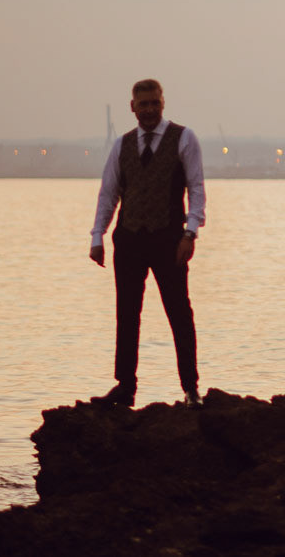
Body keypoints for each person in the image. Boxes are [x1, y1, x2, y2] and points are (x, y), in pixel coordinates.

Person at [88, 78, 206, 408]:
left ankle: (190, 388)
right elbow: (108, 193)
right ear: (133, 108)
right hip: (128, 238)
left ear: (163, 103)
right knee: (127, 313)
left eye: (155, 103)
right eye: (144, 104)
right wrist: (97, 236)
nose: (150, 110)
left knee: (179, 311)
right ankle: (125, 387)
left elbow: (196, 189)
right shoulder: (121, 145)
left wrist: (190, 233)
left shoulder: (184, 138)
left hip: (169, 236)